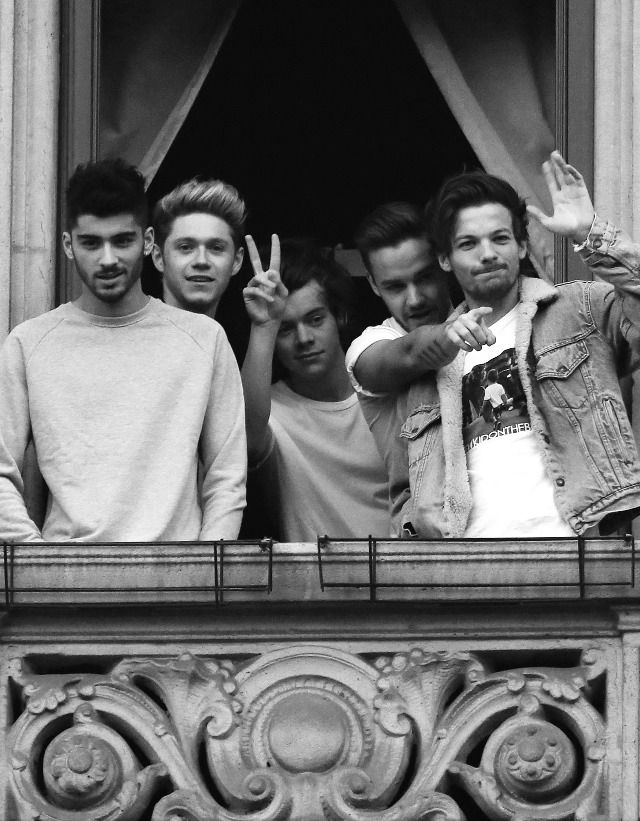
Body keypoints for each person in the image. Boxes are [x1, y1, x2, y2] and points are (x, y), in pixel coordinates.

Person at [0, 159, 246, 542]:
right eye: (91, 243)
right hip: (62, 589)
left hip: (181, 586)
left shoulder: (205, 340)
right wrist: (36, 564)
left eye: (122, 240)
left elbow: (227, 478)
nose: (109, 259)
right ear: (68, 245)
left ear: (148, 242)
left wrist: (205, 573)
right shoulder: (28, 344)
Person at [397, 151, 640, 538]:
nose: (488, 253)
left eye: (500, 238)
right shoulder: (431, 361)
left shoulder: (579, 309)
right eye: (468, 244)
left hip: (577, 559)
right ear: (445, 259)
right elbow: (406, 496)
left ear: (522, 247)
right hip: (467, 572)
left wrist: (589, 234)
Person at [345, 202, 495, 533]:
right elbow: (412, 353)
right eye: (395, 287)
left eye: (424, 278)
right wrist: (453, 332)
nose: (414, 300)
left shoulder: (493, 321)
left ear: (444, 263)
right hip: (429, 544)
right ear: (372, 284)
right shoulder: (368, 346)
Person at [241, 235, 390, 541]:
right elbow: (243, 438)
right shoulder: (270, 412)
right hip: (318, 587)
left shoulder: (385, 389)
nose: (304, 338)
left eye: (315, 319)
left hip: (408, 578)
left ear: (341, 317)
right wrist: (264, 325)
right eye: (285, 328)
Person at [151, 178, 245, 318]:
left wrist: (266, 325)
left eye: (216, 248)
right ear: (158, 257)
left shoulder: (224, 339)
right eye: (185, 247)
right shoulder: (130, 338)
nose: (201, 261)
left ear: (237, 261)